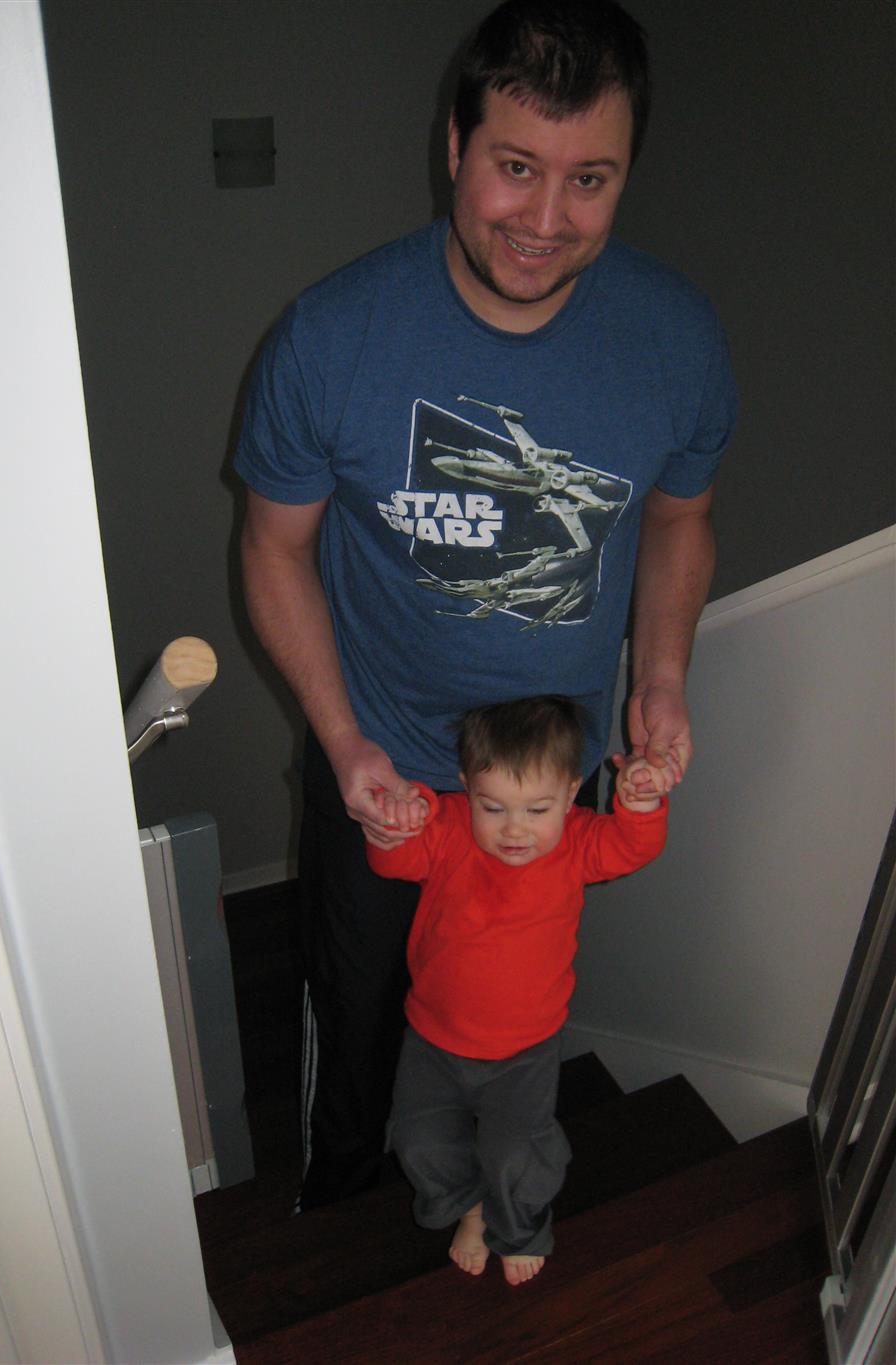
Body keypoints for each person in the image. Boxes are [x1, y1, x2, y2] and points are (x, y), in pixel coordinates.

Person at [236, 0, 735, 1210]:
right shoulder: (330, 338)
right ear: (454, 146)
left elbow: (678, 521)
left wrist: (661, 678)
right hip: (382, 767)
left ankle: (475, 1184)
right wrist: (342, 741)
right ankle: (343, 1201)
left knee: (509, 1003)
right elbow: (272, 547)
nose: (546, 220)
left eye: (588, 180)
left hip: (547, 784)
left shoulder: (676, 342)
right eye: (516, 167)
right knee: (358, 1006)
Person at [365, 695, 667, 1284]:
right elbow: (392, 862)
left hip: (525, 1049)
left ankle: (520, 1228)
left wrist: (641, 803)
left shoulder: (577, 842)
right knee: (420, 1141)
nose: (514, 828)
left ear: (572, 794)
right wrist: (393, 821)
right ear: (465, 788)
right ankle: (469, 1209)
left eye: (537, 809)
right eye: (493, 806)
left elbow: (632, 847)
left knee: (515, 1154)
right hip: (432, 1037)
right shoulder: (448, 826)